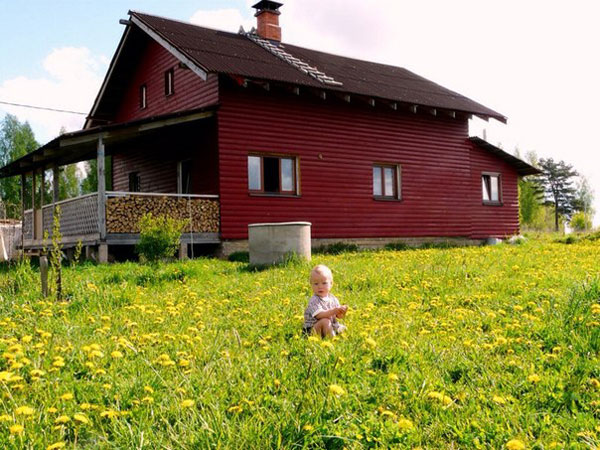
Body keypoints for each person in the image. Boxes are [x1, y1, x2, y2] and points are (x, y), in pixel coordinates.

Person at [303, 264, 348, 337]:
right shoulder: (314, 300)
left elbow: (338, 316)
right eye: (316, 284)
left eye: (324, 283)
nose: (320, 286)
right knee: (325, 321)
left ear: (331, 284)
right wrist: (334, 310)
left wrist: (341, 312)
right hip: (313, 329)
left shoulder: (333, 299)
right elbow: (319, 315)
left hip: (330, 325)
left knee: (344, 328)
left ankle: (332, 333)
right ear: (311, 285)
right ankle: (332, 340)